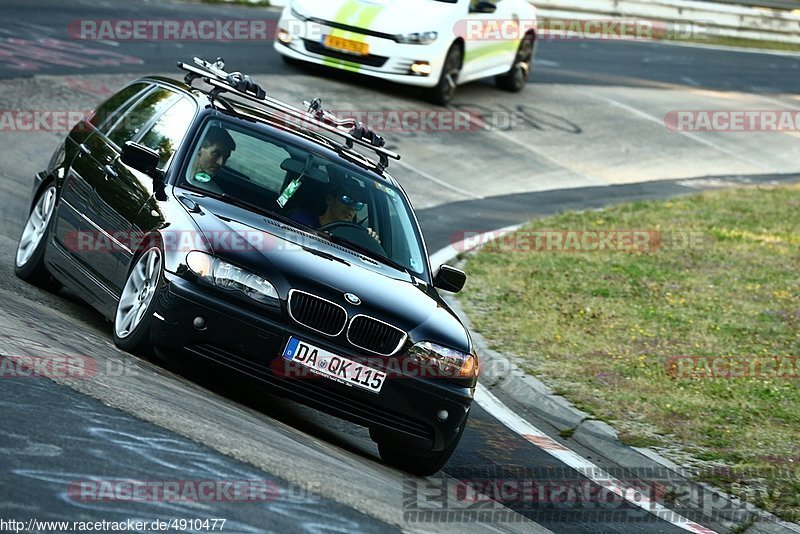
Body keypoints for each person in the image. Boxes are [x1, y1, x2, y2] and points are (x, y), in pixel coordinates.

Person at [291, 180, 380, 243]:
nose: (352, 207)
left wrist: (370, 241)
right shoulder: (301, 219)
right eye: (347, 199)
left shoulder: (354, 238)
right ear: (329, 200)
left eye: (358, 205)